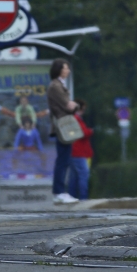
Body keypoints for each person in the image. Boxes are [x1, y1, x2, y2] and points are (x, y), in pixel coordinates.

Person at [47, 57, 80, 205]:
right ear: (59, 69)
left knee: (64, 159)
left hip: (63, 125)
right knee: (63, 160)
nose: (68, 70)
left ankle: (60, 192)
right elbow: (69, 106)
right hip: (62, 126)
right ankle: (59, 192)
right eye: (65, 68)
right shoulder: (55, 86)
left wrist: (74, 104)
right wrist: (76, 105)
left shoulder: (59, 85)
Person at [70, 100, 94, 201]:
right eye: (82, 109)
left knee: (74, 177)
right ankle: (83, 198)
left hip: (74, 151)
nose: (83, 111)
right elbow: (83, 133)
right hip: (79, 152)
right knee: (83, 174)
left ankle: (72, 197)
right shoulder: (76, 119)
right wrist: (91, 131)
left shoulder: (72, 118)